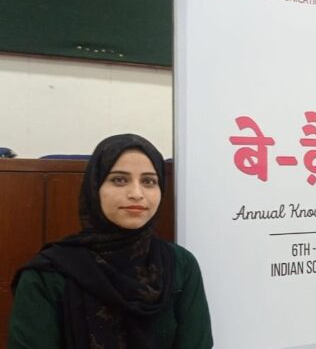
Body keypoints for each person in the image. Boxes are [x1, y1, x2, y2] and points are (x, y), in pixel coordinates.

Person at [7, 134, 213, 348]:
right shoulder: (48, 274)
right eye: (119, 180)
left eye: (149, 181)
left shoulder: (180, 265)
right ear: (94, 187)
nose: (136, 193)